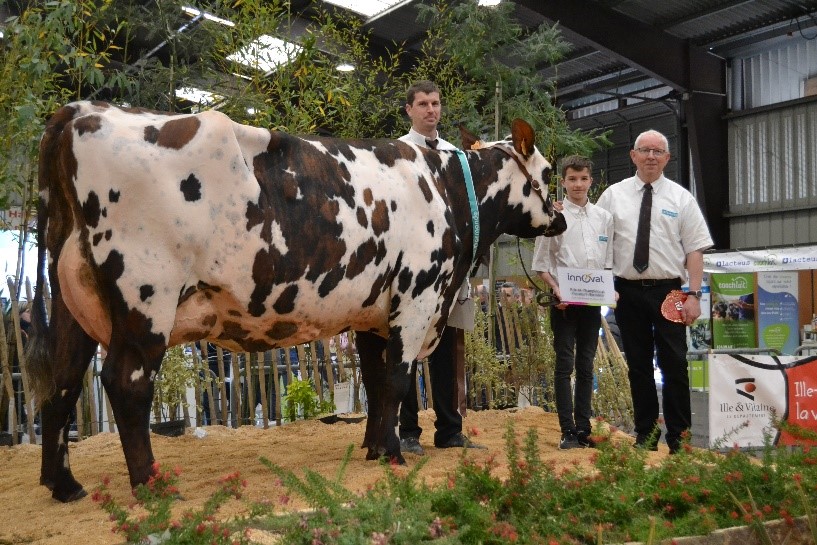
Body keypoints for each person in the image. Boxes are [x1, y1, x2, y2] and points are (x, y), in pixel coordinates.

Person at [596, 130, 713, 453]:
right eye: (645, 150)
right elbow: (598, 239)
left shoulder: (681, 199)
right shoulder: (612, 196)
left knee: (675, 364)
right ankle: (646, 435)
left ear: (667, 159)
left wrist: (693, 295)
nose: (651, 156)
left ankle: (680, 439)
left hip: (670, 293)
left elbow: (695, 251)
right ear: (632, 156)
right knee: (638, 365)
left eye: (658, 151)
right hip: (627, 292)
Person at [396, 80, 484, 454]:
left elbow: (470, 213)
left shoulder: (458, 157)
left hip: (449, 268)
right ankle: (408, 431)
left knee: (448, 351)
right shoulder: (397, 153)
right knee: (407, 351)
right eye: (422, 104)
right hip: (411, 270)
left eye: (435, 103)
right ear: (409, 110)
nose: (431, 110)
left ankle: (450, 431)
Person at [531, 155, 613, 449]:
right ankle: (567, 430)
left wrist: (610, 290)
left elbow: (608, 264)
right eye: (572, 179)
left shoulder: (604, 218)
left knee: (587, 365)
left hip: (591, 303)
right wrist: (555, 289)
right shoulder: (554, 216)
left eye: (583, 179)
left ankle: (584, 428)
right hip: (563, 303)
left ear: (591, 180)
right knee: (565, 365)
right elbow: (541, 264)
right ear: (563, 182)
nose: (578, 184)